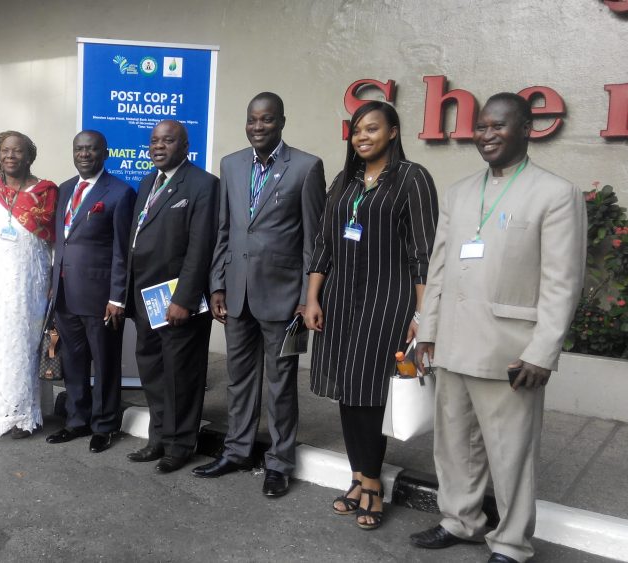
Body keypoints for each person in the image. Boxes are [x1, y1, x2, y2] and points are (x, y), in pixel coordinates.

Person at [409, 93, 586, 563]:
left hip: (510, 349)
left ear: (527, 129)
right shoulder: (461, 191)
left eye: (498, 126)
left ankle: (510, 543)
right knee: (453, 445)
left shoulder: (555, 194)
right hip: (451, 341)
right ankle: (460, 520)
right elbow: (440, 264)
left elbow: (562, 282)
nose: (486, 135)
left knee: (511, 455)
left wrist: (543, 351)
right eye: (481, 126)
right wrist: (427, 330)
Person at [304, 101, 438, 529]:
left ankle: (373, 483)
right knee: (348, 390)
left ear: (394, 132)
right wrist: (313, 298)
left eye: (372, 129)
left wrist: (423, 313)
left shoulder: (413, 179)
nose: (362, 137)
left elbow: (423, 254)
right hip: (340, 302)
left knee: (371, 393)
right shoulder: (345, 181)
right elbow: (324, 246)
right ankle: (358, 476)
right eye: (357, 130)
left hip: (388, 303)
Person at [197, 92, 326, 498]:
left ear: (282, 122)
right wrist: (217, 283)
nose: (258, 127)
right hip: (237, 292)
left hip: (284, 295)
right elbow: (224, 229)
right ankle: (236, 450)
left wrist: (309, 296)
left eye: (267, 120)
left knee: (280, 383)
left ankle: (279, 461)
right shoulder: (231, 165)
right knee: (239, 379)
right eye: (252, 119)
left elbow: (313, 239)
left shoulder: (306, 167)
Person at [125, 120, 219, 473]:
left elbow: (201, 247)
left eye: (168, 140)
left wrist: (184, 297)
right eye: (154, 140)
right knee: (152, 370)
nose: (159, 146)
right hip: (145, 299)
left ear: (185, 145)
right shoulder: (148, 182)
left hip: (178, 301)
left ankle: (181, 445)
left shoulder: (203, 184)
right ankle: (159, 437)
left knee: (182, 374)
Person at [0, 131, 58, 438]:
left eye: (18, 151)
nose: (11, 156)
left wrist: (53, 282)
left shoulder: (45, 193)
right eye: (5, 150)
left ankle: (22, 414)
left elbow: (57, 243)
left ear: (29, 156)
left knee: (25, 345)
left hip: (32, 283)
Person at [45, 130, 136, 453]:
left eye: (91, 149)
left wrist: (117, 297)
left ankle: (104, 425)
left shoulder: (120, 193)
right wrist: (53, 287)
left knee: (106, 362)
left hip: (101, 298)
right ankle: (76, 421)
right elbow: (63, 242)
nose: (85, 154)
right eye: (79, 149)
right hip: (66, 294)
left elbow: (122, 251)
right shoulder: (66, 189)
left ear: (104, 153)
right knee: (73, 361)